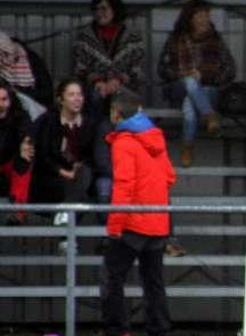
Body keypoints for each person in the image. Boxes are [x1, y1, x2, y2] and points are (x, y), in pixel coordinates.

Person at [91, 90, 176, 336]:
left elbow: (124, 185)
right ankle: (158, 334)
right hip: (158, 219)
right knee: (153, 281)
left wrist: (114, 226)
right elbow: (170, 177)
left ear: (115, 113)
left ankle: (117, 332)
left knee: (112, 277)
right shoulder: (155, 138)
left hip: (132, 222)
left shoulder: (123, 142)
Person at [73, 0, 144, 226]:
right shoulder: (85, 36)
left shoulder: (132, 36)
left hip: (124, 89)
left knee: (122, 96)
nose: (100, 13)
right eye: (97, 9)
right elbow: (80, 69)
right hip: (96, 91)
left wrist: (118, 81)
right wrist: (98, 81)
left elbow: (138, 70)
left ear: (115, 10)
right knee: (95, 97)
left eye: (105, 8)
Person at [158, 0, 236, 167]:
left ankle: (187, 146)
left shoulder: (216, 40)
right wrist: (184, 74)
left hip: (208, 90)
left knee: (189, 105)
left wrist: (205, 76)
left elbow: (230, 71)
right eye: (199, 15)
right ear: (190, 18)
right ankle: (210, 116)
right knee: (189, 82)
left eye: (206, 15)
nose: (204, 19)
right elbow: (162, 70)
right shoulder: (176, 39)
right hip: (179, 88)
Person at [28, 79, 99, 226]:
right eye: (71, 95)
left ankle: (63, 229)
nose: (77, 99)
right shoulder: (48, 121)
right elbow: (43, 156)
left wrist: (78, 168)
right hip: (52, 176)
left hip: (81, 175)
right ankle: (65, 233)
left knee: (84, 175)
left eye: (79, 94)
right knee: (78, 194)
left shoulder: (90, 123)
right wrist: (63, 172)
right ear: (61, 99)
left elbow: (93, 155)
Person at [0, 80, 33, 225]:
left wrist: (25, 143)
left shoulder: (20, 115)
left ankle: (17, 212)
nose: (0, 104)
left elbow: (26, 134)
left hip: (9, 160)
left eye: (4, 99)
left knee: (24, 159)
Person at [0, 30, 53, 118]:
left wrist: (20, 91)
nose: (5, 59)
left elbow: (46, 93)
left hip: (31, 113)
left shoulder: (32, 60)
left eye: (6, 54)